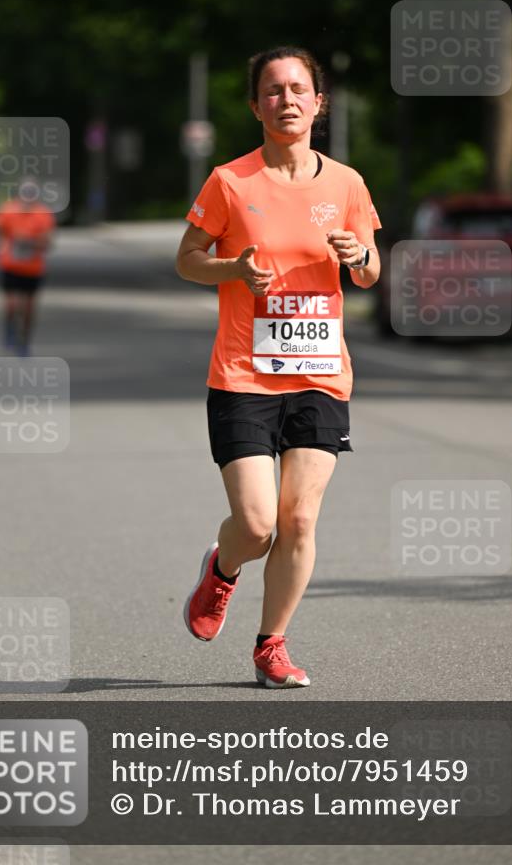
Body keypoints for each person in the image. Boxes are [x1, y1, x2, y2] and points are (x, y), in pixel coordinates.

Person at [176, 46, 382, 688]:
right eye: (272, 90)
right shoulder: (230, 182)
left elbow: (372, 273)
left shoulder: (346, 183)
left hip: (321, 372)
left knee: (298, 520)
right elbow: (187, 258)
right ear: (255, 105)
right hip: (243, 373)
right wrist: (232, 269)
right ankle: (222, 569)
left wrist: (358, 256)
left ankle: (272, 646)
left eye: (298, 89)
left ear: (319, 103)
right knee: (259, 524)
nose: (286, 100)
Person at [0, 180, 56, 356]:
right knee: (11, 305)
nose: (28, 199)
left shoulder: (43, 215)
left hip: (33, 268)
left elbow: (49, 242)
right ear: (19, 194)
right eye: (25, 194)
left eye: (31, 194)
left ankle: (25, 340)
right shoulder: (7, 211)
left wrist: (31, 242)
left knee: (29, 308)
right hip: (10, 265)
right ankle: (10, 328)